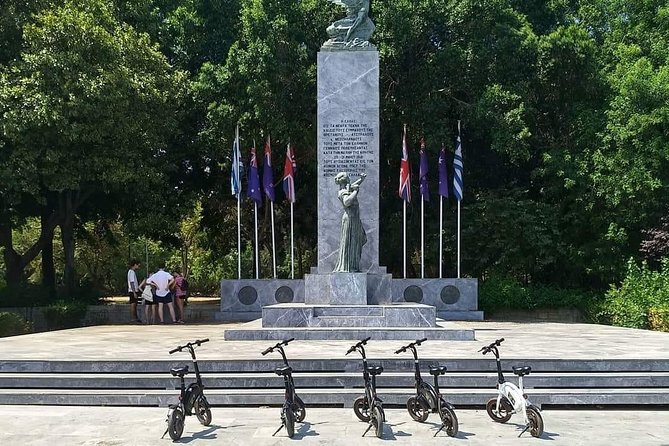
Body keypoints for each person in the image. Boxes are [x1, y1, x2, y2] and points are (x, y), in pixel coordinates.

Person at [333, 172, 367, 272]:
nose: (349, 178)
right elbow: (347, 202)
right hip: (349, 219)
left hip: (355, 219)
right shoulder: (342, 191)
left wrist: (361, 179)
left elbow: (355, 185)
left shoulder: (348, 188)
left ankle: (354, 265)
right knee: (349, 243)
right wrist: (356, 192)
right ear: (344, 179)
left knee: (358, 240)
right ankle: (347, 266)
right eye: (347, 177)